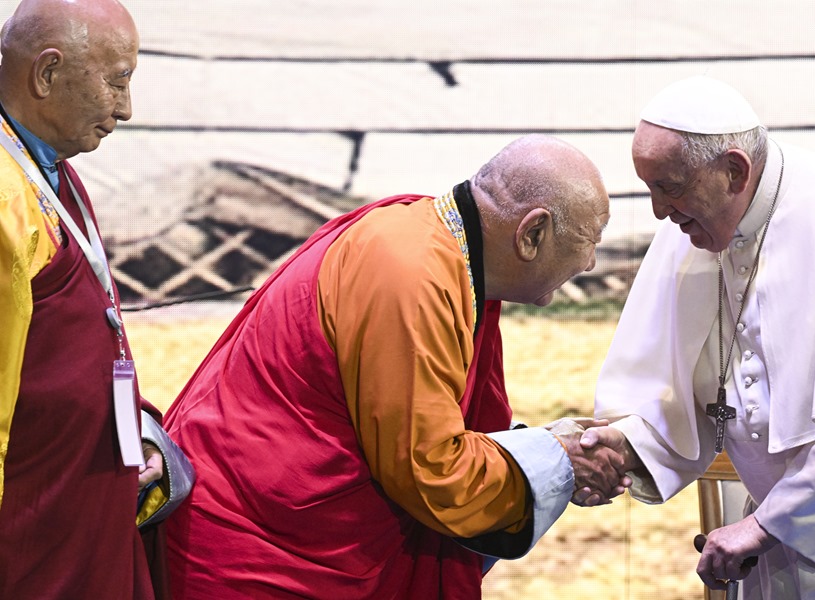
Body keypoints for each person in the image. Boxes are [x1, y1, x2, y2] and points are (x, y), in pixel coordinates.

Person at [163, 134, 628, 598]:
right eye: (589, 243)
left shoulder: (437, 246)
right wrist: (559, 462)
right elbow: (433, 471)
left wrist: (551, 450)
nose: (589, 263)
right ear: (532, 234)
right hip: (259, 552)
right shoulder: (409, 273)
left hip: (284, 528)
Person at [582, 75, 815, 599]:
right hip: (762, 542)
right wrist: (624, 441)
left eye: (670, 187)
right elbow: (679, 385)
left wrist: (767, 525)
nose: (660, 211)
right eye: (651, 188)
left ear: (734, 170)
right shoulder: (695, 224)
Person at [0, 1, 180, 598]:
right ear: (46, 74)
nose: (126, 109)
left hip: (81, 505)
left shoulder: (50, 168)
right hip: (30, 534)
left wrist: (134, 427)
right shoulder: (4, 196)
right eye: (117, 81)